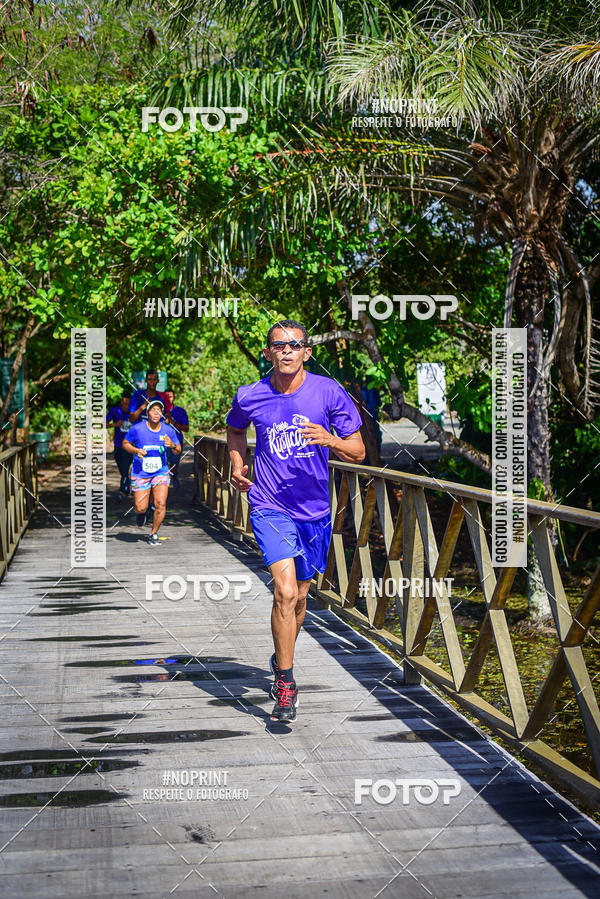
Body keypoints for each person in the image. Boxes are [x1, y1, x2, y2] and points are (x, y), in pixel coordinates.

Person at [226, 320, 365, 722]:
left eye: (295, 345)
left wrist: (331, 440)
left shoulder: (327, 391)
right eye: (278, 345)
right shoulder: (251, 395)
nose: (287, 351)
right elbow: (235, 429)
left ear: (306, 352)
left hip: (316, 513)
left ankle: (279, 654)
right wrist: (238, 462)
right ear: (267, 353)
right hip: (269, 506)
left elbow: (357, 452)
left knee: (301, 598)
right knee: (284, 592)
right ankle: (285, 684)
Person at [122, 399, 181, 546]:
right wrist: (136, 450)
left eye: (159, 410)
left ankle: (153, 533)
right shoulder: (137, 428)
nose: (156, 412)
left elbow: (178, 449)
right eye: (153, 410)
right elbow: (125, 443)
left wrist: (172, 445)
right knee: (140, 507)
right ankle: (142, 513)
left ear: (162, 414)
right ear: (147, 413)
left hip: (160, 471)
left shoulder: (168, 430)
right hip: (140, 471)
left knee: (161, 503)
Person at [106, 392, 132, 498]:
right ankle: (128, 486)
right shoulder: (115, 411)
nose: (126, 406)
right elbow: (104, 424)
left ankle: (122, 491)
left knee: (125, 467)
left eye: (128, 404)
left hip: (130, 445)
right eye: (124, 403)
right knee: (122, 468)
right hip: (118, 445)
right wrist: (115, 424)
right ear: (121, 401)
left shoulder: (134, 413)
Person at [163, 388, 189, 489]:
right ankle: (163, 483)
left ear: (174, 398)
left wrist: (172, 422)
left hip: (176, 442)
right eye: (166, 397)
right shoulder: (158, 411)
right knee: (163, 464)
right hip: (162, 442)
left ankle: (174, 477)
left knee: (174, 465)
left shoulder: (180, 411)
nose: (168, 399)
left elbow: (186, 428)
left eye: (170, 396)